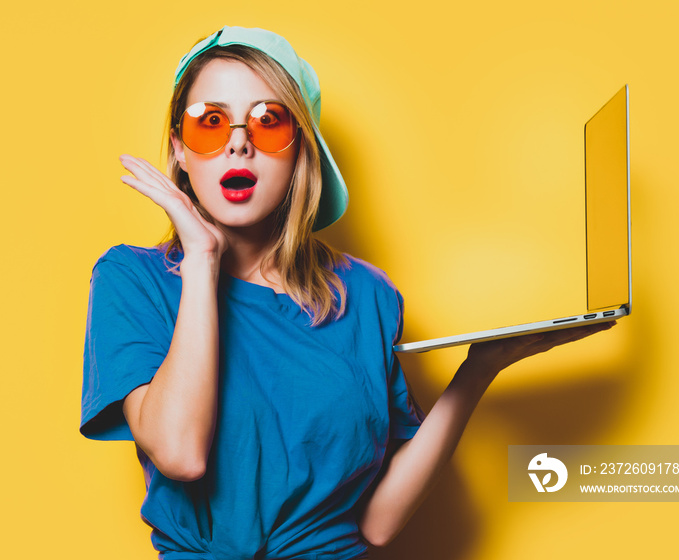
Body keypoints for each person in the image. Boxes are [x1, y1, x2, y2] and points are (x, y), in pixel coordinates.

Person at [80, 26, 613, 560]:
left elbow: (378, 524)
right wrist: (201, 258)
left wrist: (478, 371)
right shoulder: (133, 281)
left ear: (301, 154)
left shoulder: (367, 296)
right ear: (178, 151)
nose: (238, 142)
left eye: (269, 122)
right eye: (211, 123)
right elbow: (180, 454)